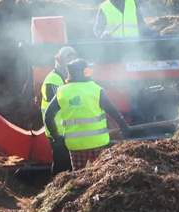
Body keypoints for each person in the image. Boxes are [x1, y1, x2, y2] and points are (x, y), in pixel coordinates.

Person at [44, 59, 131, 170]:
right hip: (98, 143)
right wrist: (125, 128)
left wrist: (56, 137)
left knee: (80, 178)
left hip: (75, 145)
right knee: (99, 176)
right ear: (85, 72)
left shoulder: (62, 92)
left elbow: (48, 116)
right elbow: (113, 112)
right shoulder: (96, 89)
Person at [40, 46, 78, 174]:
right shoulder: (53, 80)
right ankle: (54, 189)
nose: (72, 60)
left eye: (74, 57)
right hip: (57, 132)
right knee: (61, 167)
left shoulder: (67, 79)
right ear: (59, 59)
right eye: (68, 57)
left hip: (68, 131)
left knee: (69, 166)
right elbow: (59, 106)